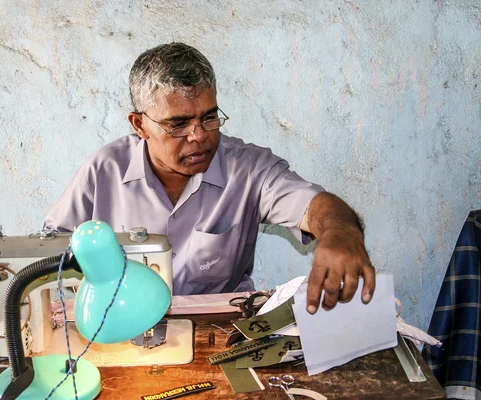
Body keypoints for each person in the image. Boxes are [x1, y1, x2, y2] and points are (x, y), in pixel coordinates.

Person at [44, 42, 375, 314]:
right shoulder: (103, 171)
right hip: (123, 328)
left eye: (210, 117)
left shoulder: (249, 169)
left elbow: (315, 206)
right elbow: (48, 258)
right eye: (178, 124)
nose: (199, 136)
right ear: (139, 125)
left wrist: (340, 232)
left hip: (222, 331)